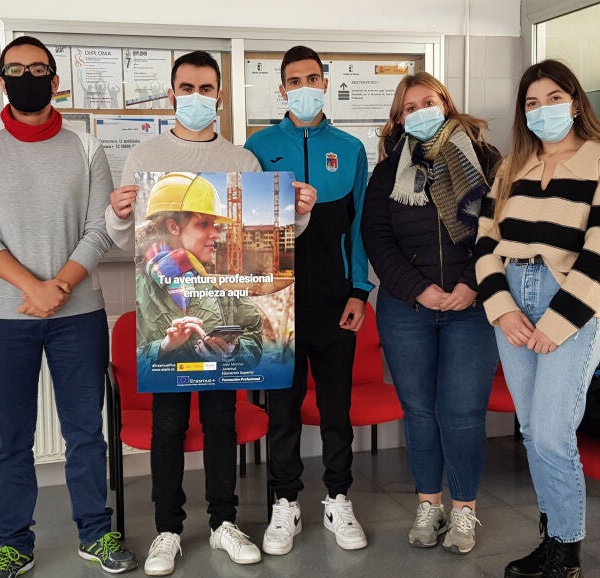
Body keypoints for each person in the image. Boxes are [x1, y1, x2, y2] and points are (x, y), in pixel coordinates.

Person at [105, 50, 314, 576]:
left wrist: (299, 214)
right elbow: (126, 241)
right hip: (166, 340)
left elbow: (275, 241)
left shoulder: (241, 161)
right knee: (168, 426)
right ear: (172, 93)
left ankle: (224, 523)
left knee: (221, 421)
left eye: (206, 89)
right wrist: (117, 213)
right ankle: (168, 530)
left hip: (223, 338)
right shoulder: (144, 156)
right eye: (186, 87)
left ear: (219, 96)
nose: (196, 97)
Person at [0, 35, 136, 577]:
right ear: (2, 80)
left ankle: (95, 534)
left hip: (78, 315)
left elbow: (100, 229)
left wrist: (59, 285)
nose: (26, 77)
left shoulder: (86, 146)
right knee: (11, 438)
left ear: (55, 81)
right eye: (15, 69)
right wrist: (32, 288)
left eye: (37, 69)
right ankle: (14, 543)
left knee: (86, 433)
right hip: (4, 318)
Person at [475, 59, 600, 578]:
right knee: (532, 431)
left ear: (574, 103)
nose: (542, 110)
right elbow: (485, 242)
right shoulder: (510, 167)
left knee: (552, 433)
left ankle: (567, 553)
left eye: (553, 98)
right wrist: (501, 309)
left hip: (569, 299)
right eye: (532, 103)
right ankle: (550, 540)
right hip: (512, 298)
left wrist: (558, 321)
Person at [361, 71, 502, 554]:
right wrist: (419, 289)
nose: (420, 112)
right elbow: (377, 239)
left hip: (473, 307)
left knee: (462, 413)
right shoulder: (388, 172)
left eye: (428, 102)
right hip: (407, 309)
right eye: (409, 107)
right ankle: (429, 505)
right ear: (399, 119)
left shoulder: (486, 160)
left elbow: (500, 229)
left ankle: (463, 510)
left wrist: (471, 284)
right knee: (419, 413)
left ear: (446, 103)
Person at [243, 45, 373, 556]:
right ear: (282, 89)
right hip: (276, 305)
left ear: (325, 83)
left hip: (335, 302)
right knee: (283, 412)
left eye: (312, 78)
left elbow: (359, 227)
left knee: (336, 408)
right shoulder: (258, 146)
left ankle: (339, 499)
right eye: (294, 81)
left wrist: (359, 291)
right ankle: (285, 503)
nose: (304, 88)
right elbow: (245, 229)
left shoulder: (350, 148)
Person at [135, 172, 264, 373]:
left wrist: (234, 351)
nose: (215, 233)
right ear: (174, 227)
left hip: (218, 385)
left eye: (215, 225)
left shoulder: (225, 278)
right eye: (204, 224)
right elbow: (133, 363)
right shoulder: (140, 283)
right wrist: (164, 347)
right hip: (167, 388)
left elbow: (255, 339)